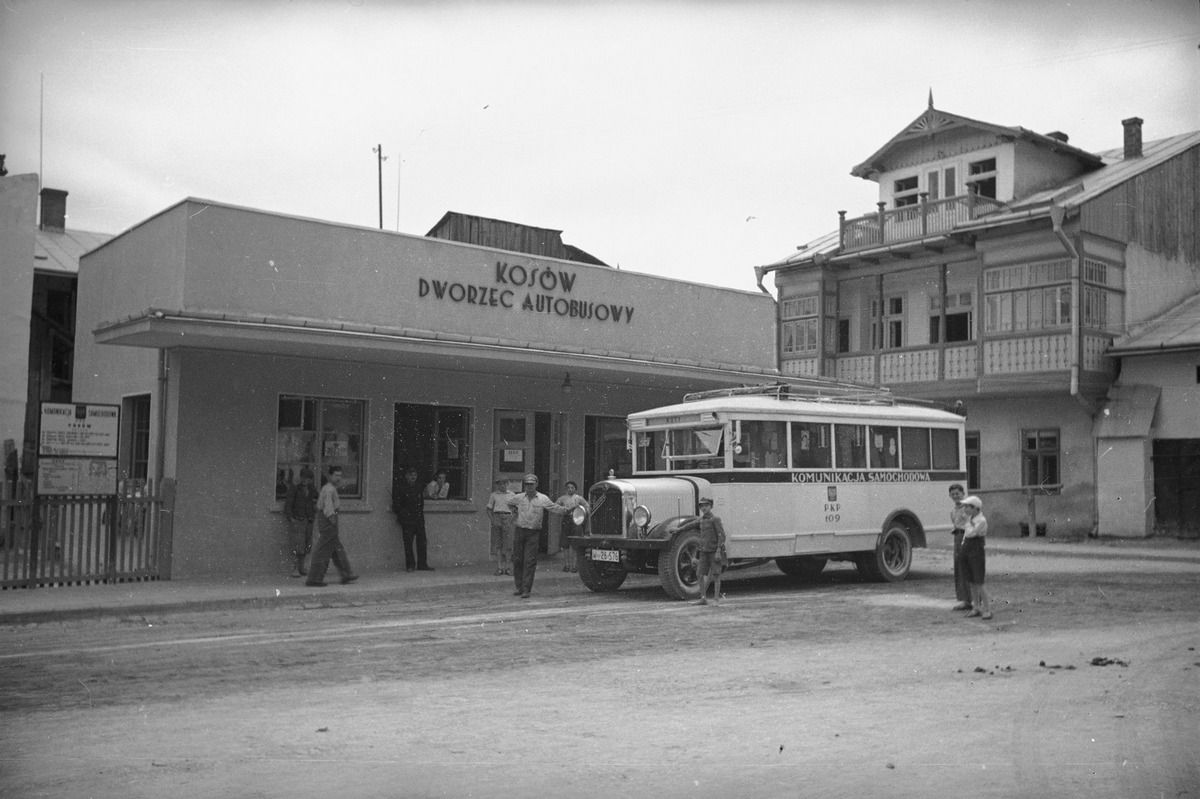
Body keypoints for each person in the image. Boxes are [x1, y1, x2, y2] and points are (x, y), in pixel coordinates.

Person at [507, 474, 565, 599]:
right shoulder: (519, 497)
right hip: (520, 530)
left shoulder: (542, 498)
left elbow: (554, 508)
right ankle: (519, 587)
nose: (529, 487)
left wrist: (568, 510)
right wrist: (514, 511)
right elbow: (509, 503)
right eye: (527, 484)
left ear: (536, 484)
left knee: (529, 560)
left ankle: (526, 589)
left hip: (533, 532)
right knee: (517, 560)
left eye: (531, 484)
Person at [305, 466, 358, 587]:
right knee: (323, 550)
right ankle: (314, 578)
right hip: (329, 520)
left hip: (330, 519)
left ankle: (346, 574)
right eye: (336, 475)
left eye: (340, 475)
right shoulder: (329, 489)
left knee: (337, 549)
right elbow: (328, 508)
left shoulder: (331, 488)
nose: (338, 478)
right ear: (330, 476)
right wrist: (332, 520)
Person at [676, 497, 726, 605]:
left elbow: (722, 536)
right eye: (702, 506)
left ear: (711, 506)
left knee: (716, 575)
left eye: (706, 505)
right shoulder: (701, 520)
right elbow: (690, 525)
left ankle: (716, 599)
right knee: (699, 574)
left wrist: (718, 550)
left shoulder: (715, 519)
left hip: (713, 551)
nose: (704, 508)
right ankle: (703, 598)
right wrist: (679, 529)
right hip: (703, 552)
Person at [958, 495, 992, 620]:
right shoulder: (969, 519)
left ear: (975, 508)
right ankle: (976, 607)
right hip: (967, 548)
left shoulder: (981, 520)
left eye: (968, 506)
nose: (965, 509)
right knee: (971, 581)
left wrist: (968, 522)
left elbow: (972, 533)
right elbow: (965, 534)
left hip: (976, 550)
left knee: (979, 581)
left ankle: (987, 609)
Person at [393, 467, 432, 571]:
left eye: (414, 475)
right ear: (406, 476)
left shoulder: (418, 487)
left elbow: (421, 503)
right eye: (410, 475)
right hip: (407, 520)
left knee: (422, 542)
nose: (413, 477)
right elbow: (396, 505)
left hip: (418, 519)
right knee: (408, 543)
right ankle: (410, 565)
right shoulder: (401, 488)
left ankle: (422, 564)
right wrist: (403, 515)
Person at [283, 466, 319, 577]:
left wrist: (315, 507)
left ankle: (301, 567)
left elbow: (319, 499)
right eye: (303, 477)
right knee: (297, 544)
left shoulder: (312, 490)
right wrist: (290, 517)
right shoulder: (295, 489)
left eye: (307, 478)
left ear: (311, 480)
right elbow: (288, 503)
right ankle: (295, 569)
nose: (304, 480)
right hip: (298, 520)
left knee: (307, 544)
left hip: (309, 520)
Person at [948, 483, 972, 611]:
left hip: (966, 537)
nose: (955, 496)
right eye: (953, 494)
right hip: (957, 538)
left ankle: (973, 600)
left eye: (957, 493)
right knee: (959, 568)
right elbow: (955, 524)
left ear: (963, 493)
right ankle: (964, 599)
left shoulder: (968, 508)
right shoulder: (953, 511)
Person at [555, 481, 589, 572]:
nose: (570, 489)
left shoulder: (579, 498)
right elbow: (555, 507)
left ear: (575, 489)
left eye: (572, 487)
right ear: (566, 489)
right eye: (568, 488)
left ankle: (574, 566)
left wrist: (582, 511)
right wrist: (564, 510)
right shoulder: (562, 498)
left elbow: (587, 507)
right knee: (565, 544)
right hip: (566, 520)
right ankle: (566, 565)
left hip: (577, 520)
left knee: (575, 544)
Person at [486, 478, 516, 576]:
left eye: (504, 483)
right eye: (499, 484)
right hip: (497, 517)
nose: (502, 486)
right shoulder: (494, 495)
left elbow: (516, 509)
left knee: (508, 544)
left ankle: (508, 567)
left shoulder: (512, 495)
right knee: (498, 544)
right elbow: (488, 509)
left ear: (507, 484)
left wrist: (511, 519)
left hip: (508, 517)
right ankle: (499, 567)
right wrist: (493, 520)